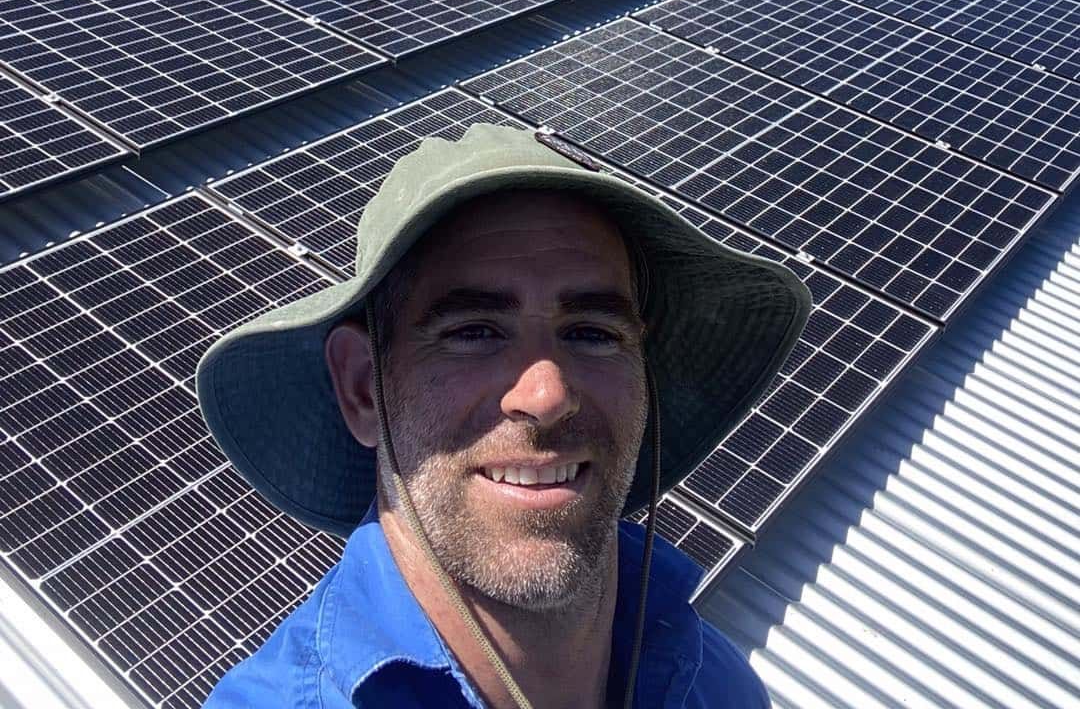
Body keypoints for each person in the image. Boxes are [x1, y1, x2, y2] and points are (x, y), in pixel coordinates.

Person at [197, 122, 809, 708]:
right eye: (475, 331)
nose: (546, 395)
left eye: (593, 333)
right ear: (362, 390)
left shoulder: (712, 679)